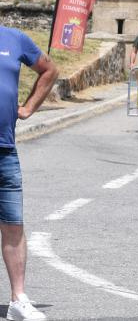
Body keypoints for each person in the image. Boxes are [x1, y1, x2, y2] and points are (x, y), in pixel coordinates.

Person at [0, 26, 58, 321]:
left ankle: (17, 301)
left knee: (13, 225)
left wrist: (29, 107)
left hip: (6, 151)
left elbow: (49, 70)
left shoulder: (14, 38)